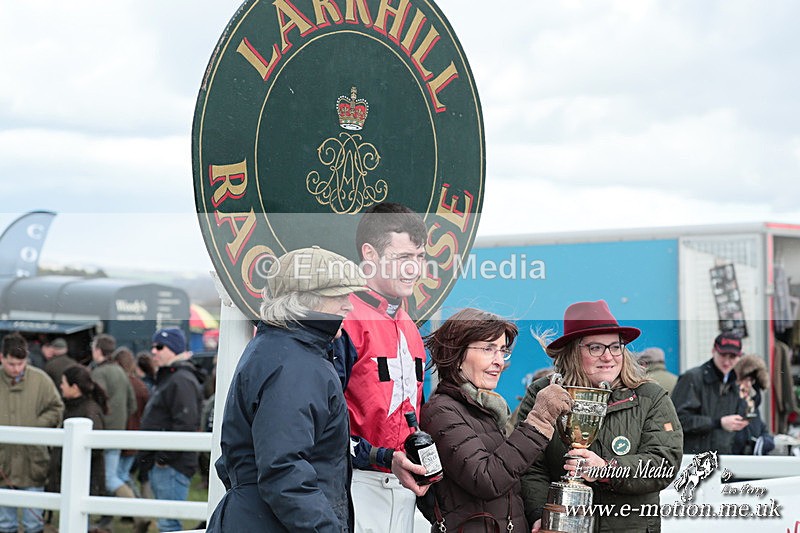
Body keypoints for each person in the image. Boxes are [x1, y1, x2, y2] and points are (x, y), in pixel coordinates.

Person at [207, 246, 367, 532]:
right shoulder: (295, 364)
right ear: (306, 300)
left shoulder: (278, 348)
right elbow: (284, 471)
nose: (349, 305)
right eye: (339, 295)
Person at [517, 300, 683, 532]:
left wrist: (607, 469)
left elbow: (664, 463)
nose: (609, 356)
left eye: (615, 346)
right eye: (596, 347)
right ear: (573, 351)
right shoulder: (543, 393)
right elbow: (528, 466)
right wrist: (539, 514)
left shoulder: (650, 396)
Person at [419, 308, 573, 532]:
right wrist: (540, 420)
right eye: (488, 349)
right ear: (456, 353)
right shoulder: (441, 412)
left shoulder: (487, 408)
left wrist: (536, 515)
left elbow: (510, 484)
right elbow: (487, 479)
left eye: (502, 351)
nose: (499, 361)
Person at [336, 202, 431, 533]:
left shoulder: (410, 328)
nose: (414, 270)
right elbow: (318, 428)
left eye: (419, 258)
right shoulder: (342, 323)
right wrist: (377, 456)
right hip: (352, 486)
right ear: (369, 254)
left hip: (405, 491)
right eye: (404, 258)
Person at [139, 326, 204, 532]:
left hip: (172, 465)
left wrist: (163, 459)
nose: (154, 351)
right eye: (153, 347)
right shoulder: (171, 377)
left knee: (169, 524)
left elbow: (186, 423)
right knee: (166, 521)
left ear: (174, 349)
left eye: (160, 346)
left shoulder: (181, 379)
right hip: (165, 462)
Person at [0, 332, 64, 533]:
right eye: (11, 364)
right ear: (1, 358)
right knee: (5, 523)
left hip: (33, 462)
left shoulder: (41, 380)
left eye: (21, 364)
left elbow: (56, 408)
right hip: (2, 463)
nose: (17, 369)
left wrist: (35, 426)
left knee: (33, 523)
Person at [671, 332, 749, 454]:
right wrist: (718, 423)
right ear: (713, 351)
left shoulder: (735, 384)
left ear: (739, 357)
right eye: (723, 355)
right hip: (692, 461)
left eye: (732, 357)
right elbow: (677, 421)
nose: (727, 362)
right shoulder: (692, 378)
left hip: (724, 460)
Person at [90, 335, 138, 507]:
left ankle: (138, 512)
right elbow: (132, 405)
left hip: (102, 434)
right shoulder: (120, 371)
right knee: (110, 477)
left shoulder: (99, 373)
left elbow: (95, 404)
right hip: (119, 432)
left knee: (108, 479)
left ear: (98, 350)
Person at [112, 347, 150, 493]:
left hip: (124, 432)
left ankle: (137, 508)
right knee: (123, 474)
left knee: (119, 475)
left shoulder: (122, 384)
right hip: (136, 433)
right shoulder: (140, 385)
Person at [732, 354, 775, 455]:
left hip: (752, 462)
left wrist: (764, 442)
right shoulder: (729, 403)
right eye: (745, 379)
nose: (748, 385)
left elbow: (763, 430)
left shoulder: (751, 405)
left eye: (751, 380)